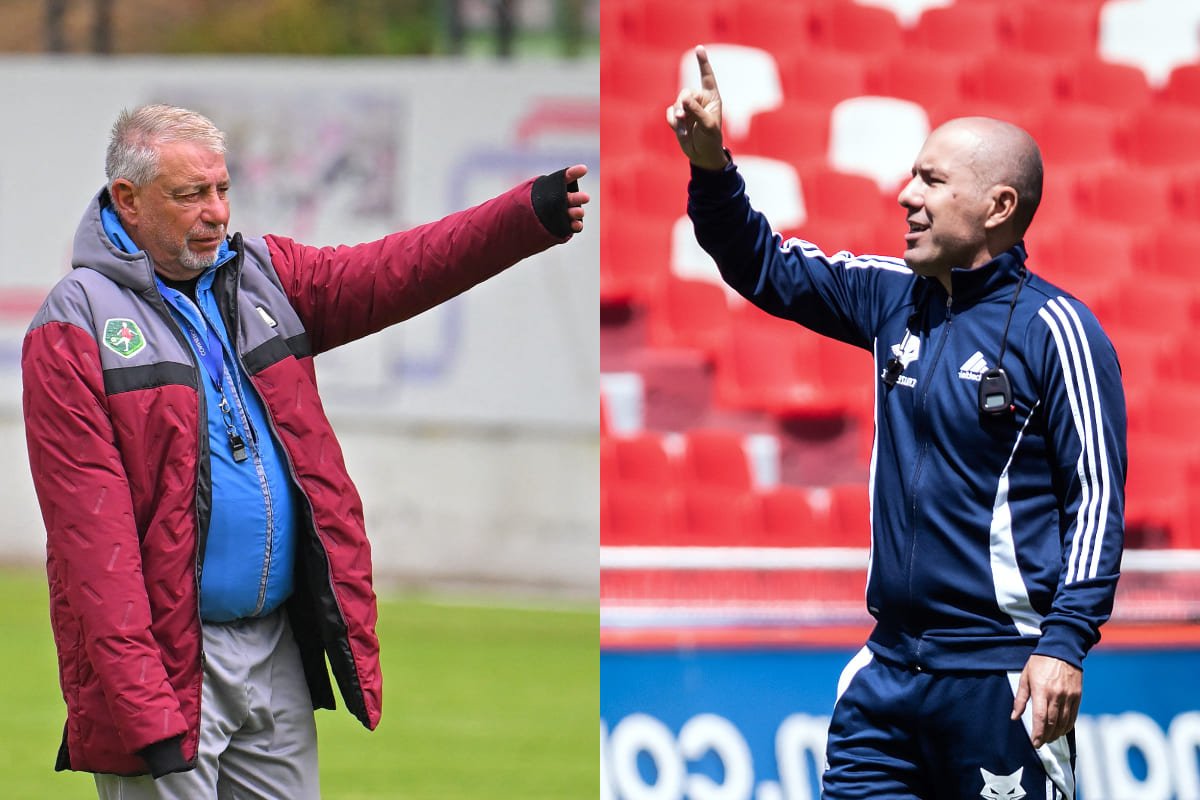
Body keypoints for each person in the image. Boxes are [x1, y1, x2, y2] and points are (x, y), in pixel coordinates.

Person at [22, 104, 589, 799]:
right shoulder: (75, 323)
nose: (216, 212)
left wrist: (524, 217)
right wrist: (144, 709)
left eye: (222, 189)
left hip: (275, 648)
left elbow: (397, 269)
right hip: (170, 663)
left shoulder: (265, 274)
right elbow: (93, 547)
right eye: (191, 194)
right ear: (128, 200)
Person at [667, 47, 1125, 799]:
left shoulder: (1060, 332)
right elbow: (762, 265)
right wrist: (713, 169)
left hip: (1002, 680)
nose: (905, 195)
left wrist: (1065, 644)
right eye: (912, 175)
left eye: (932, 181)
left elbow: (1097, 499)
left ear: (998, 207)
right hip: (887, 679)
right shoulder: (890, 296)